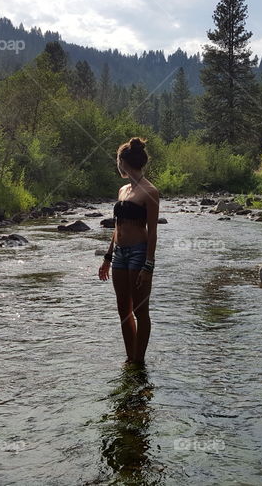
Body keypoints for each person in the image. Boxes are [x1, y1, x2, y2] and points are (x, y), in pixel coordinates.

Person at [98, 137, 159, 366]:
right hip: (120, 255)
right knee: (123, 309)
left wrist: (148, 265)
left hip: (138, 253)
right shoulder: (122, 190)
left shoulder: (150, 191)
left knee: (140, 310)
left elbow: (152, 232)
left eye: (118, 161)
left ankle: (139, 361)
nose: (117, 165)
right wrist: (107, 257)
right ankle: (130, 358)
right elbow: (117, 226)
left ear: (124, 162)